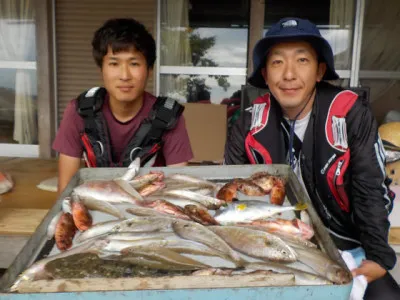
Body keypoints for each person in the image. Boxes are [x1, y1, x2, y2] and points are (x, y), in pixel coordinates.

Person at [224, 17, 400, 299]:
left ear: (319, 71)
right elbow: (231, 192)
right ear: (265, 74)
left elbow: (370, 187)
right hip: (274, 238)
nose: (289, 74)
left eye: (302, 60)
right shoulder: (246, 124)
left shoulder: (352, 116)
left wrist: (379, 256)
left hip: (344, 239)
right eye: (277, 62)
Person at [53, 18, 193, 194]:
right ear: (101, 69)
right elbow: (65, 190)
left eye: (134, 63)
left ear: (149, 70)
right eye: (114, 63)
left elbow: (179, 189)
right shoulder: (79, 111)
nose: (124, 75)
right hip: (96, 206)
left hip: (150, 207)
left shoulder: (169, 116)